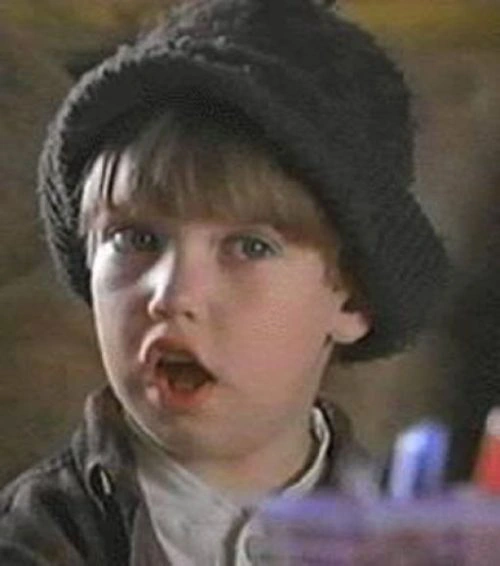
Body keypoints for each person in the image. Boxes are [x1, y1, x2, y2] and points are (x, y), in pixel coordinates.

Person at [0, 0, 449, 564]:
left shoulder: (412, 533)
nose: (173, 296)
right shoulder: (38, 537)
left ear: (354, 297)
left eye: (249, 247)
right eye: (136, 239)